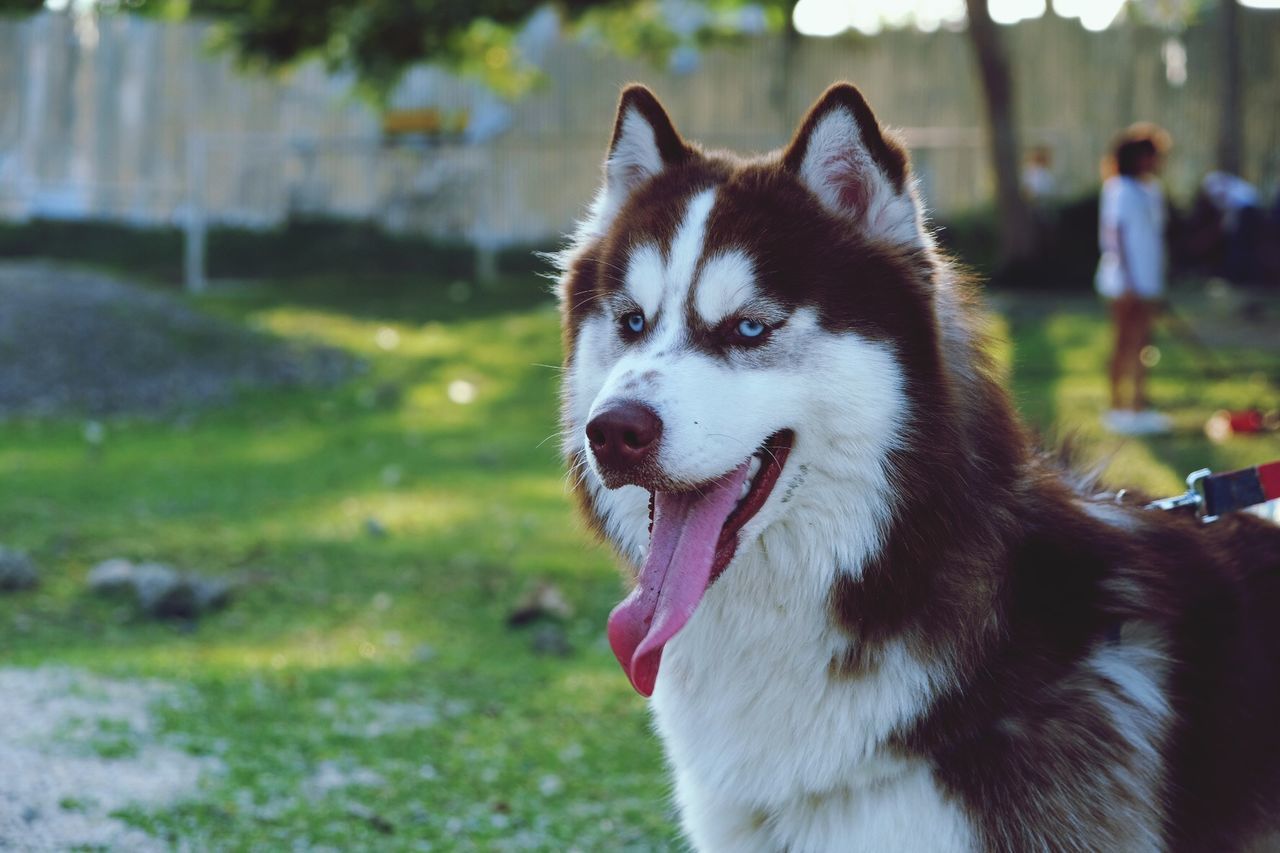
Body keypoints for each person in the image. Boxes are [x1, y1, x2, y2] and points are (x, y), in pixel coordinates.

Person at [1095, 125, 1172, 435]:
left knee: (1143, 342)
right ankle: (1116, 406)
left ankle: (1139, 403)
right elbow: (1116, 235)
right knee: (1123, 341)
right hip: (1123, 281)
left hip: (1149, 280)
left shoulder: (1152, 189)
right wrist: (1127, 280)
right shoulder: (1119, 189)